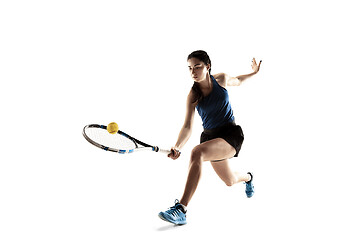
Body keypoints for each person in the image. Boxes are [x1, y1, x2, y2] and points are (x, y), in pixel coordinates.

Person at [158, 50, 262, 225]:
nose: (193, 72)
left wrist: (254, 72)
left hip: (230, 134)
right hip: (210, 138)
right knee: (229, 181)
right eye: (190, 68)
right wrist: (177, 146)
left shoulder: (220, 79)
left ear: (207, 66)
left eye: (197, 67)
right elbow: (187, 126)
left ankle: (181, 209)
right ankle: (249, 178)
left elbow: (238, 80)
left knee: (197, 153)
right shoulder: (193, 95)